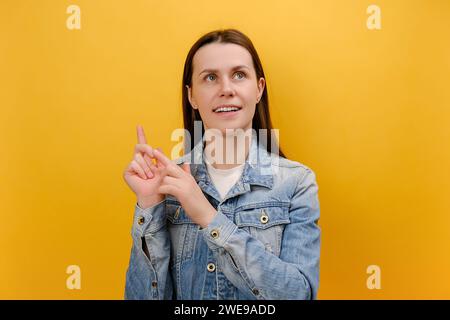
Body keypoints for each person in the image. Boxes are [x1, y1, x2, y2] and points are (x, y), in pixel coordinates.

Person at [122, 29, 321, 300]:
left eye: (239, 75)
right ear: (192, 96)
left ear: (259, 88)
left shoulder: (296, 182)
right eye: (210, 78)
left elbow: (299, 295)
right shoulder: (165, 183)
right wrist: (149, 205)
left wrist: (207, 216)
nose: (226, 89)